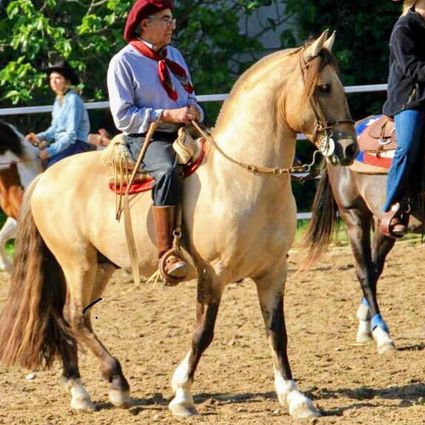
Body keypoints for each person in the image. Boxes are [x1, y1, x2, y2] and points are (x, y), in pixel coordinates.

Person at [107, 0, 203, 281]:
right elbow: (123, 117)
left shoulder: (174, 54)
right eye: (165, 19)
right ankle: (167, 254)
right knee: (167, 171)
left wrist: (196, 109)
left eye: (172, 19)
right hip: (147, 136)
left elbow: (189, 95)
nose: (172, 25)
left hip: (186, 130)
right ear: (144, 24)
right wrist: (167, 114)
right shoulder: (123, 62)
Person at [380, 0, 425, 238]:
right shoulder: (403, 28)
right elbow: (413, 68)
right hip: (410, 98)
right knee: (406, 147)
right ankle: (393, 207)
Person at [25, 60, 91, 168]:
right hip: (63, 143)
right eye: (51, 78)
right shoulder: (58, 99)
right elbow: (54, 128)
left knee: (52, 168)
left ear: (66, 81)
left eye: (58, 78)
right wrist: (39, 137)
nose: (53, 81)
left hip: (76, 144)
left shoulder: (73, 100)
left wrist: (51, 151)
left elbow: (71, 135)